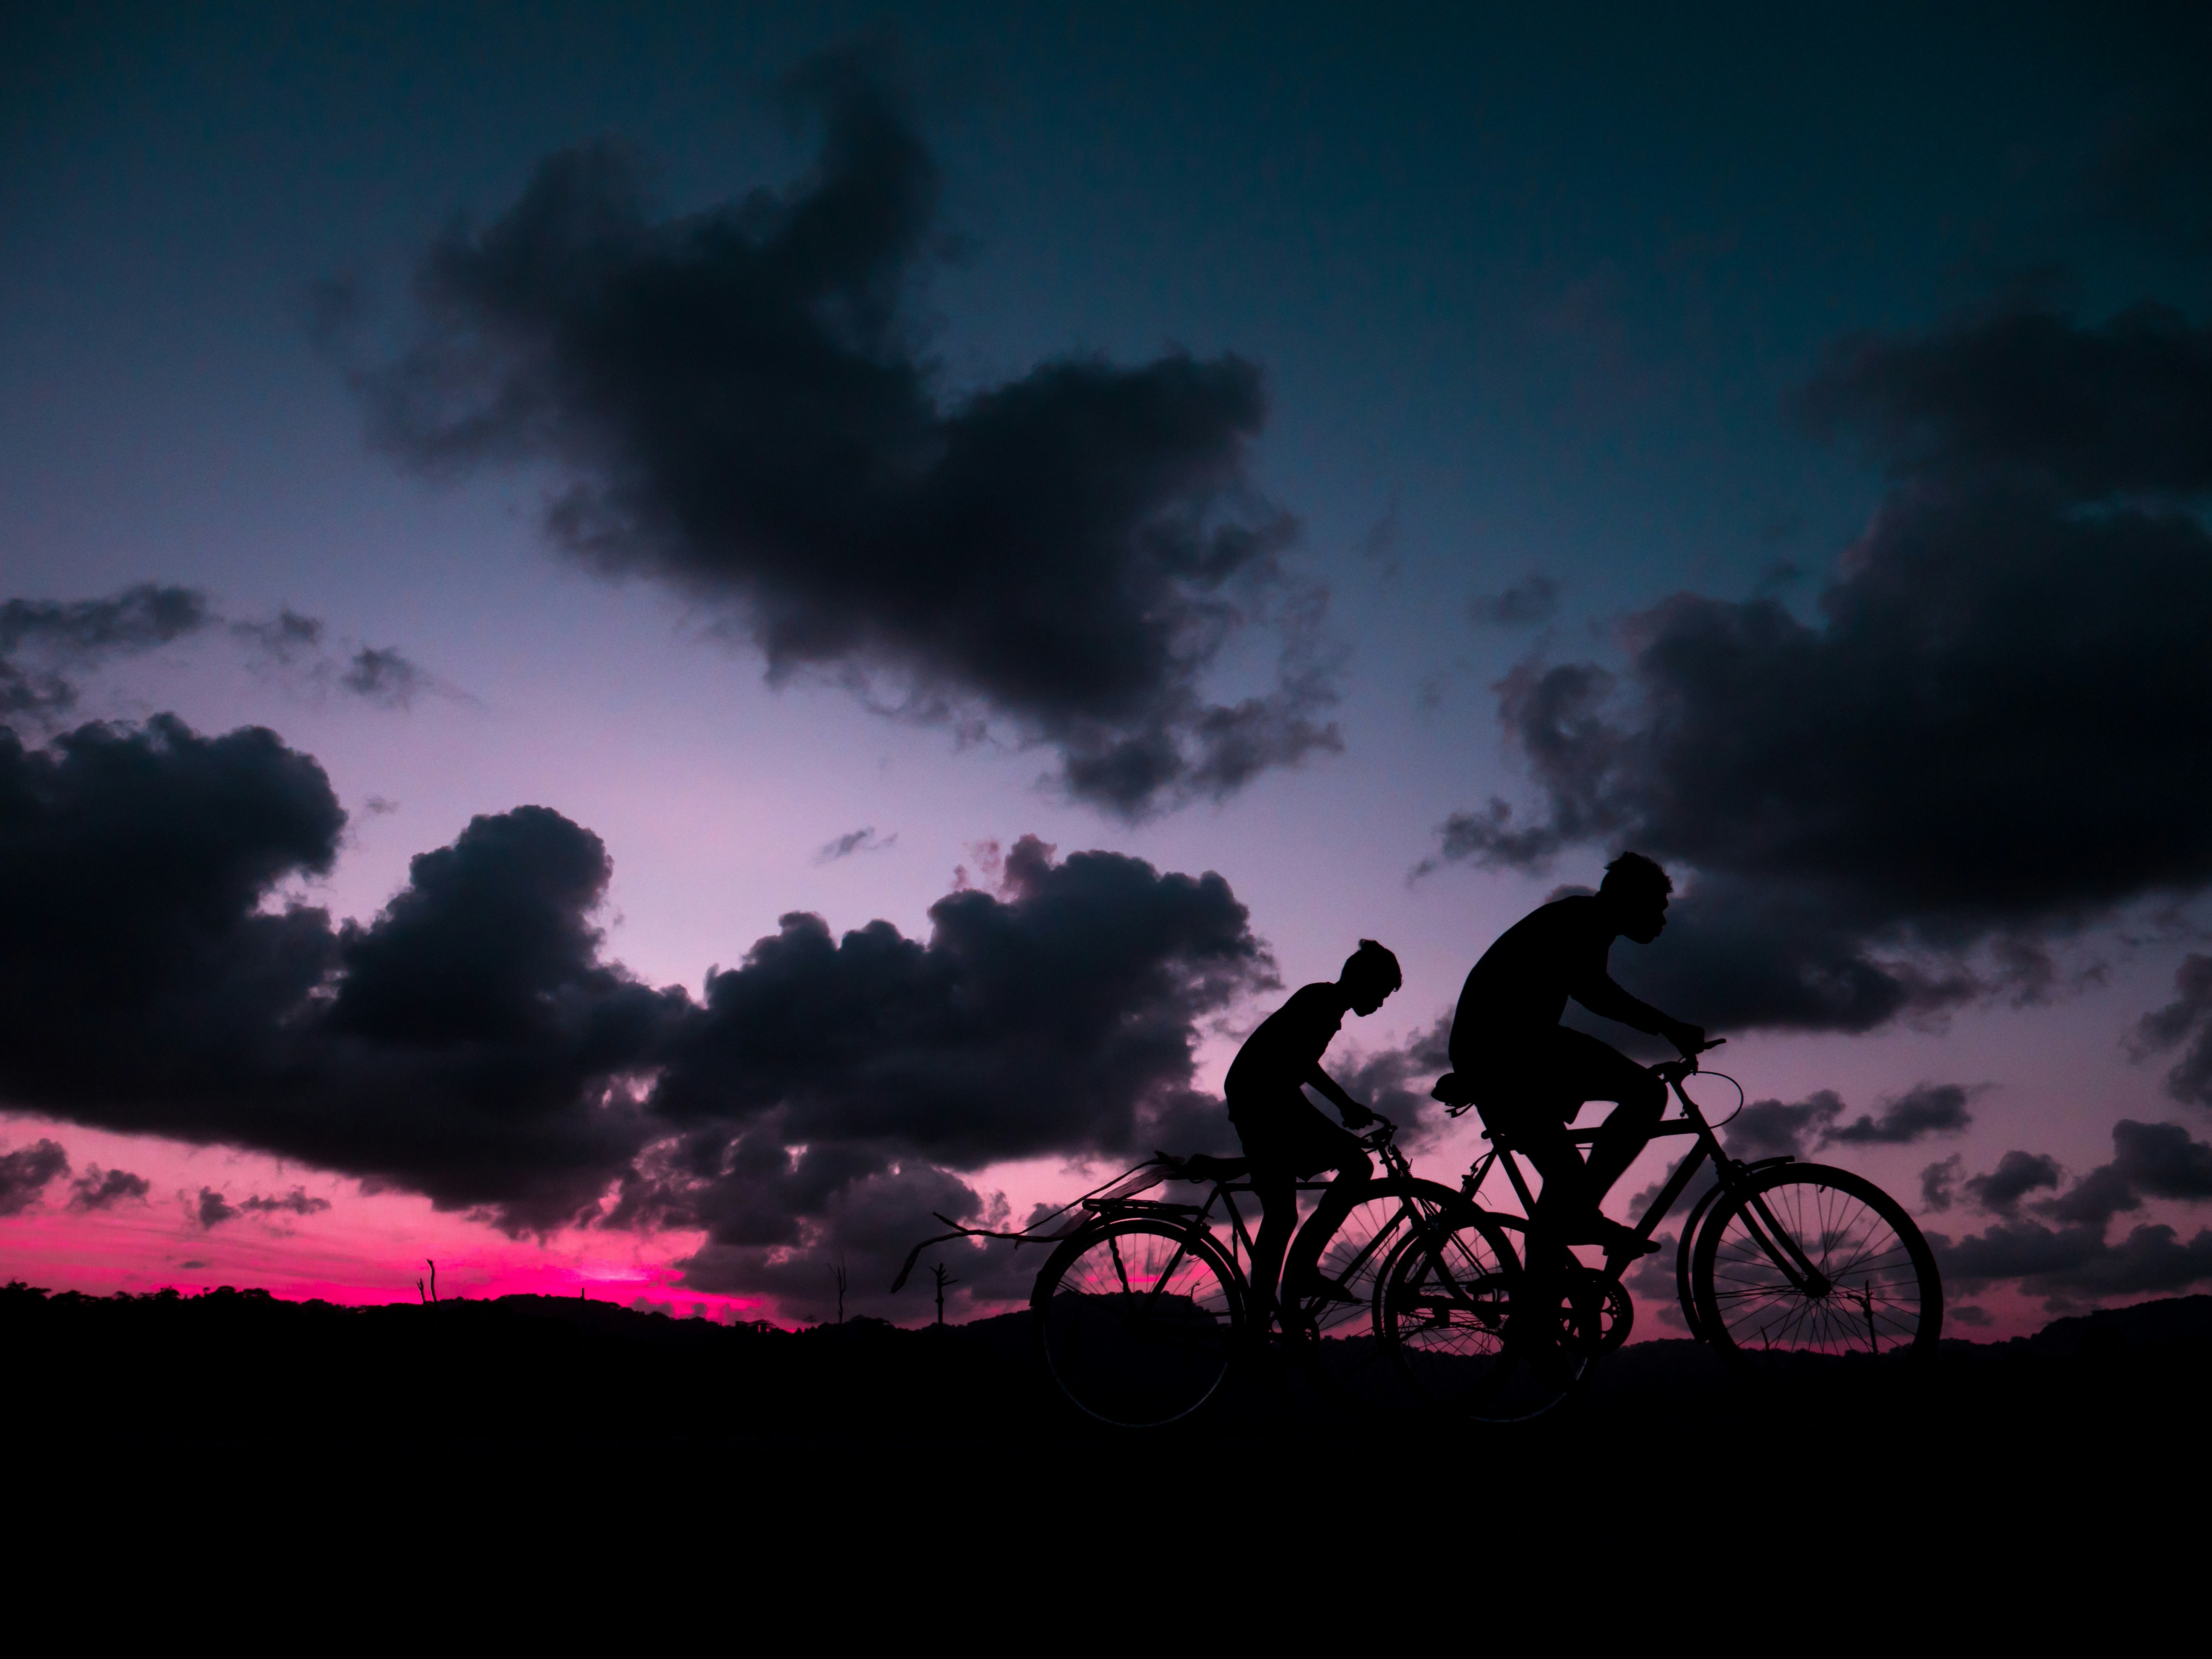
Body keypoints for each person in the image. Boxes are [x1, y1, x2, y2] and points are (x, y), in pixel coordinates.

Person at [1447, 853, 1705, 1341]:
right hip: (1511, 1048)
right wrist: (1668, 1026)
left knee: (1563, 1181)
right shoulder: (1580, 920)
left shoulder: (1584, 922)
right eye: (1656, 906)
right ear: (1627, 900)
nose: (1663, 919)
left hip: (1507, 1052)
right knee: (1646, 1095)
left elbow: (1591, 989)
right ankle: (1582, 1216)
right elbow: (1595, 993)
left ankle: (1534, 1321)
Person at [1223, 939, 1402, 1336]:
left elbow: (1299, 1065)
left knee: (1282, 1214)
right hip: (1265, 1099)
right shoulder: (1322, 1002)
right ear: (1364, 981)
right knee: (1356, 1165)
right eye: (1382, 992)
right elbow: (1299, 1065)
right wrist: (1346, 1105)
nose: (1382, 1003)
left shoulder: (1324, 1003)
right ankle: (1300, 1273)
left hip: (1264, 1098)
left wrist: (1346, 1106)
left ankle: (1256, 1326)